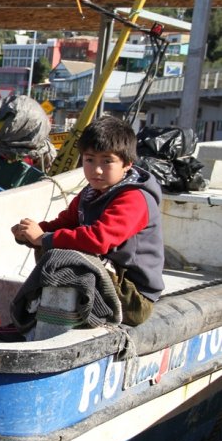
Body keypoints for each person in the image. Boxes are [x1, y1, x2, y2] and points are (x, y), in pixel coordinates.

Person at [11, 116, 164, 326]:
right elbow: (64, 223)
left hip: (134, 298)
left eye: (107, 161)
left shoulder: (134, 198)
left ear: (127, 164)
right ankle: (41, 318)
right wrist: (30, 234)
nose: (97, 169)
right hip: (109, 279)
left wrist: (43, 238)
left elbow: (98, 240)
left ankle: (59, 321)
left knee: (60, 257)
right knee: (51, 246)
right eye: (90, 160)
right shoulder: (90, 193)